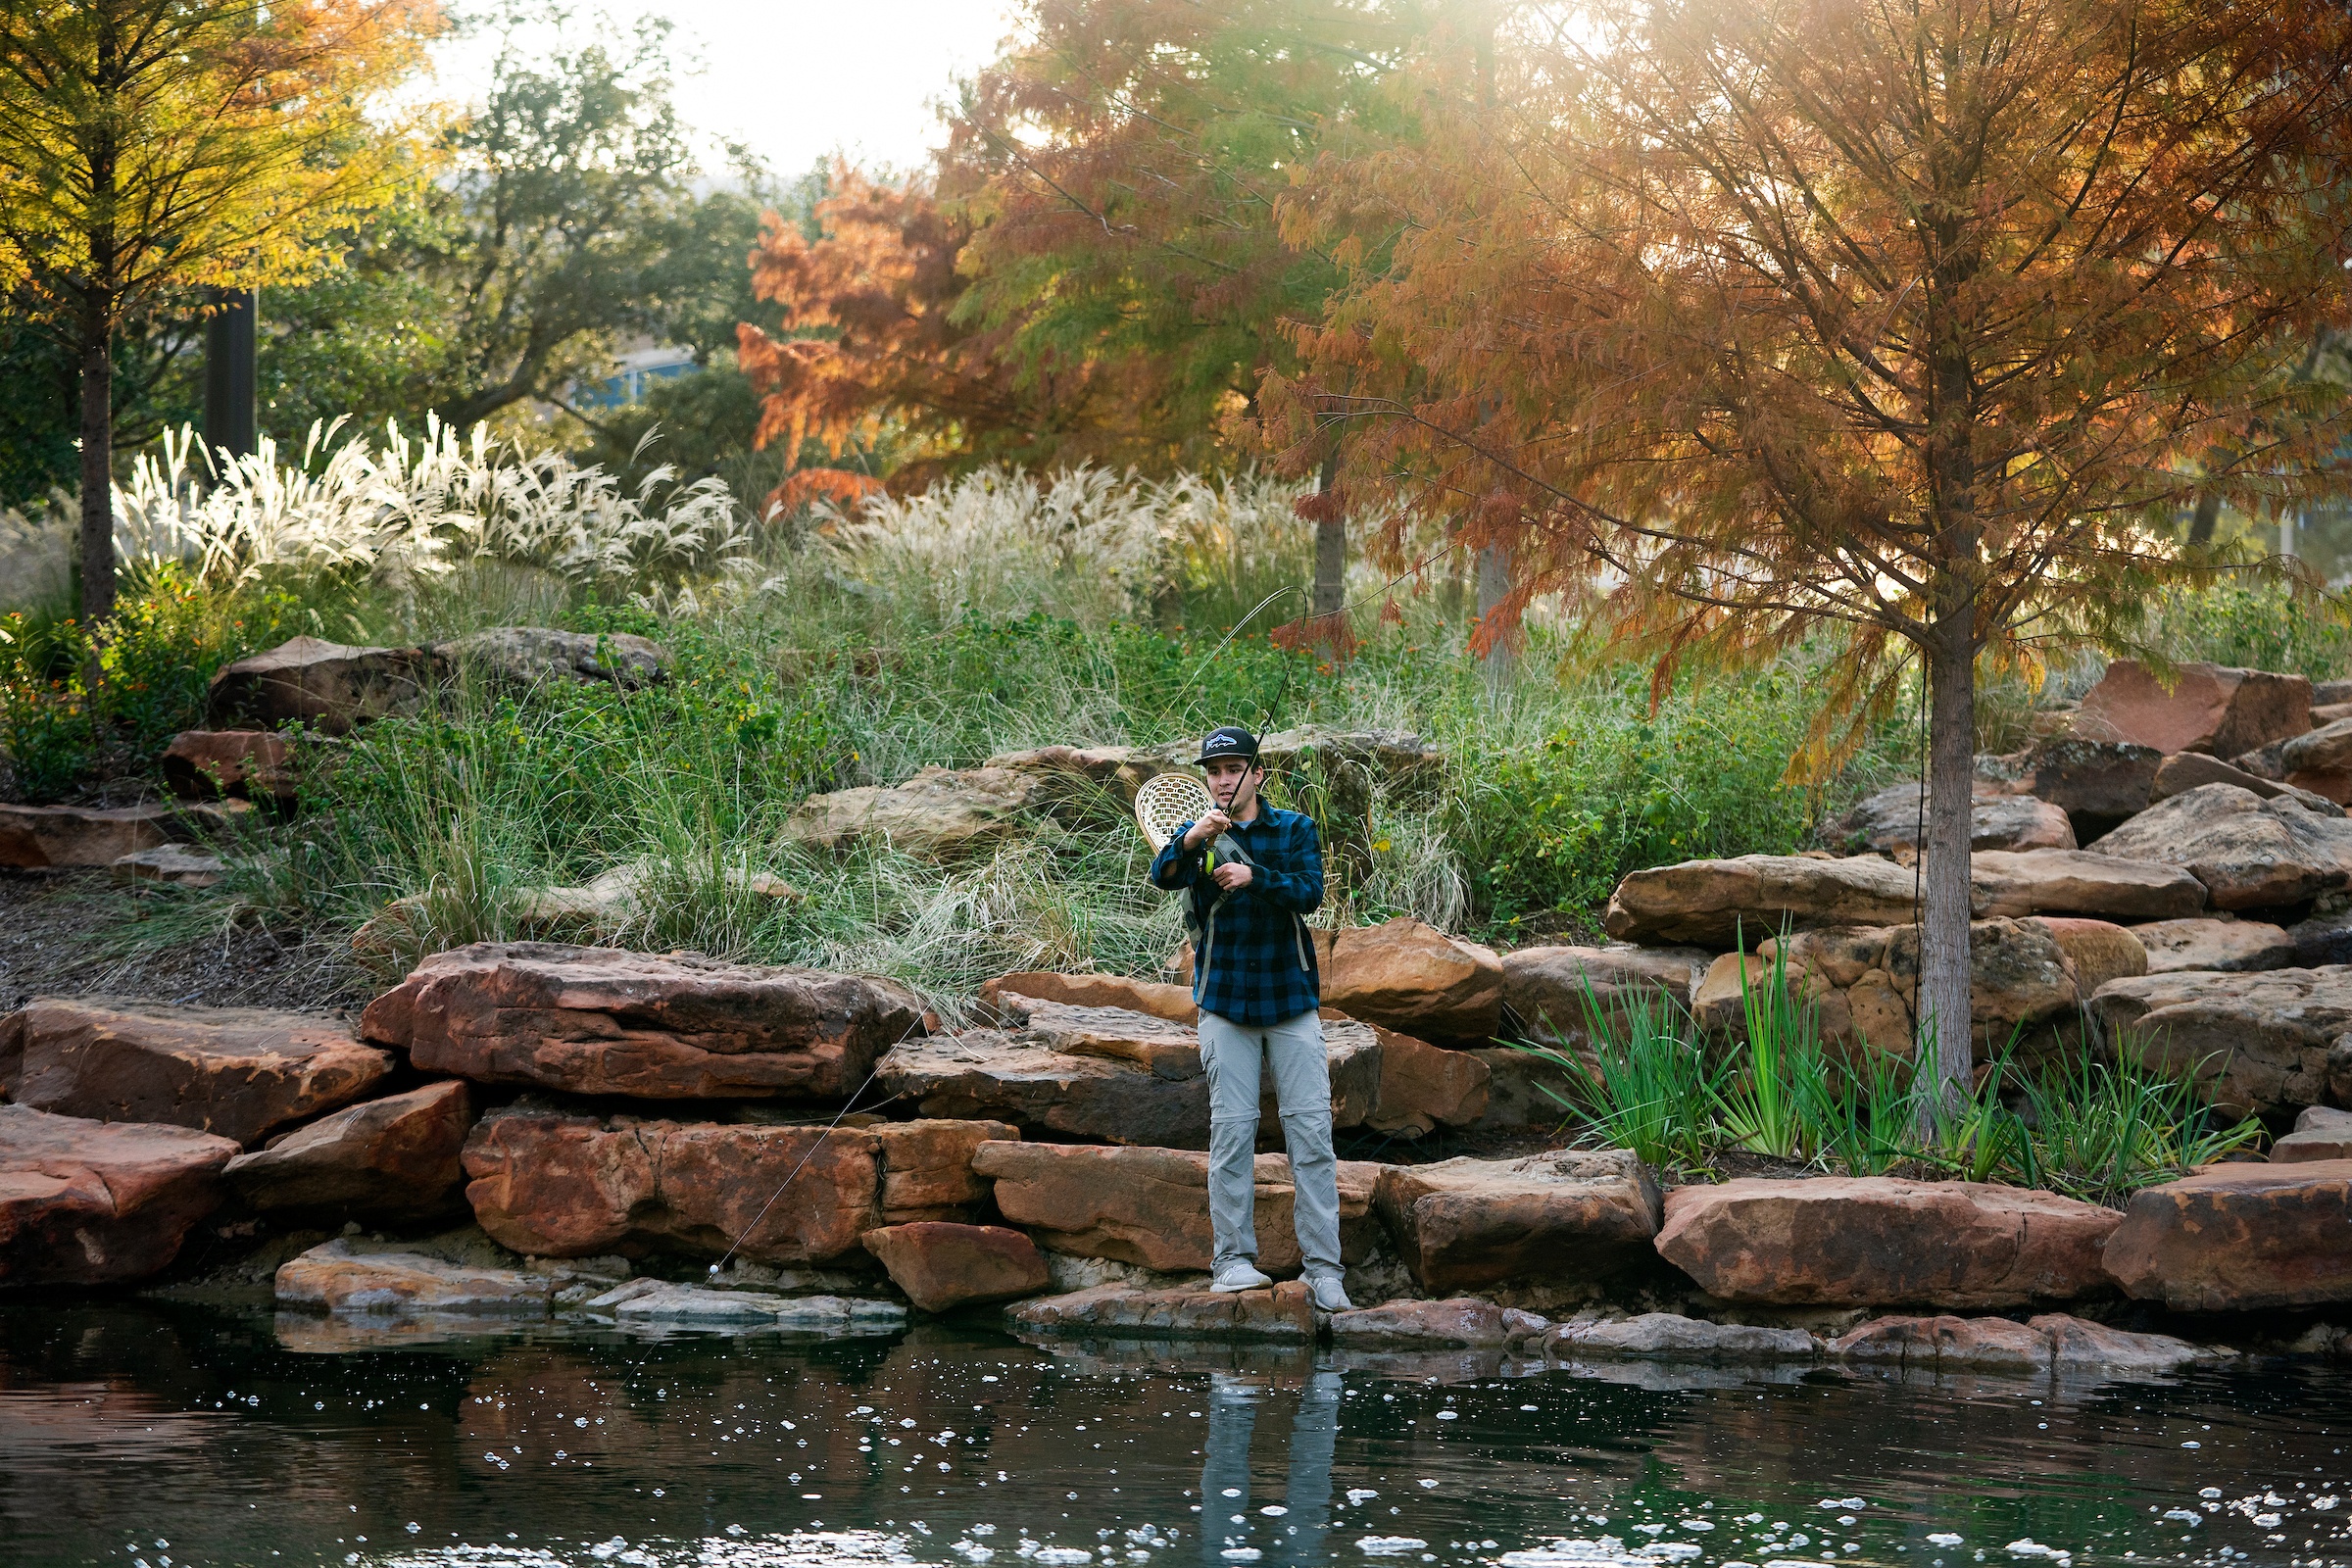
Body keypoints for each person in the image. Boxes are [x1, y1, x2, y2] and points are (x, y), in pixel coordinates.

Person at [1148, 725, 1351, 1311]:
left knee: (1310, 1136)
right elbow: (1163, 876)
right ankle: (1232, 1263)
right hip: (1224, 1007)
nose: (1221, 780)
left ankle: (1324, 1271)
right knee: (1232, 1135)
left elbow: (1309, 893)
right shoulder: (1197, 836)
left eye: (1233, 769)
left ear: (1257, 774)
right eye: (1213, 771)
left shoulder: (1293, 828)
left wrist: (1253, 876)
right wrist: (1190, 841)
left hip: (1291, 1003)